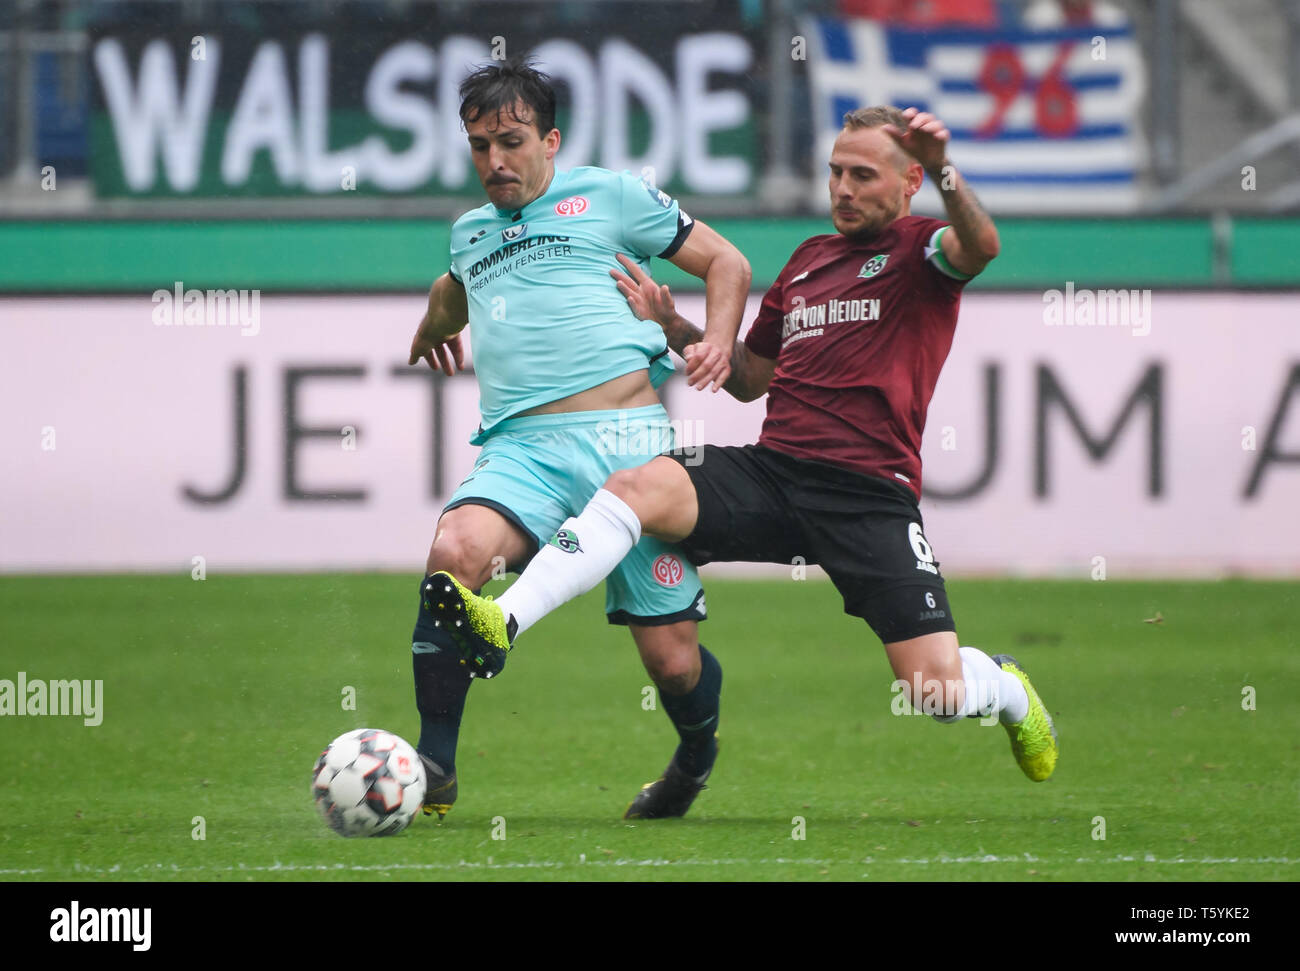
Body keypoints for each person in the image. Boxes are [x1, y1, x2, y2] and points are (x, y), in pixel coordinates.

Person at [427, 105, 1058, 810]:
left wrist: (946, 168)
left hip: (868, 497)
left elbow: (983, 245)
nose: (842, 189)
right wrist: (678, 328)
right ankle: (502, 621)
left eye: (862, 175)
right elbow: (752, 379)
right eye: (834, 173)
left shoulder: (921, 251)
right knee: (636, 484)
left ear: (911, 182)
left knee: (934, 692)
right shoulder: (808, 263)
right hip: (776, 473)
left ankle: (1004, 686)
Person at [407, 56, 751, 821]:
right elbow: (453, 292)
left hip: (628, 446)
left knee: (672, 660)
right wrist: (429, 329)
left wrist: (720, 340)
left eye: (512, 141)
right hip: (520, 451)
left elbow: (726, 260)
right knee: (453, 554)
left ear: (551, 139)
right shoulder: (469, 234)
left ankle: (695, 754)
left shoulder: (612, 196)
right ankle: (434, 764)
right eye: (479, 146)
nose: (495, 161)